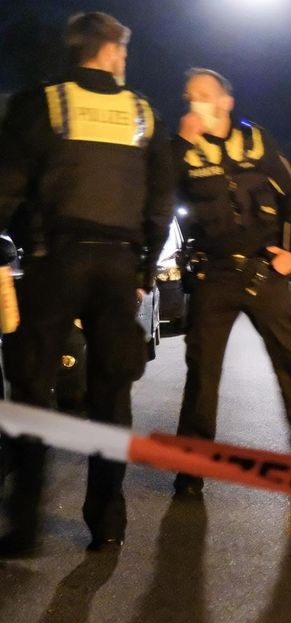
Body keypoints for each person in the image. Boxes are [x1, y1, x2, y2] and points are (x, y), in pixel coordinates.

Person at [0, 12, 173, 555]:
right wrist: (144, 269)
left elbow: (6, 186)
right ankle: (107, 522)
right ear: (111, 50)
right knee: (110, 392)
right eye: (123, 51)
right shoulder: (141, 112)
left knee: (32, 387)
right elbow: (160, 203)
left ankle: (24, 525)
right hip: (117, 267)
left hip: (55, 260)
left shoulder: (45, 104)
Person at [171, 68, 291, 498]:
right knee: (202, 373)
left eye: (204, 94)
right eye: (190, 95)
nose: (195, 101)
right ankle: (190, 471)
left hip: (263, 272)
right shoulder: (183, 148)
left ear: (226, 101)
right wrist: (180, 144)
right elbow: (159, 193)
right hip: (213, 274)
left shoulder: (256, 140)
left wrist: (289, 250)